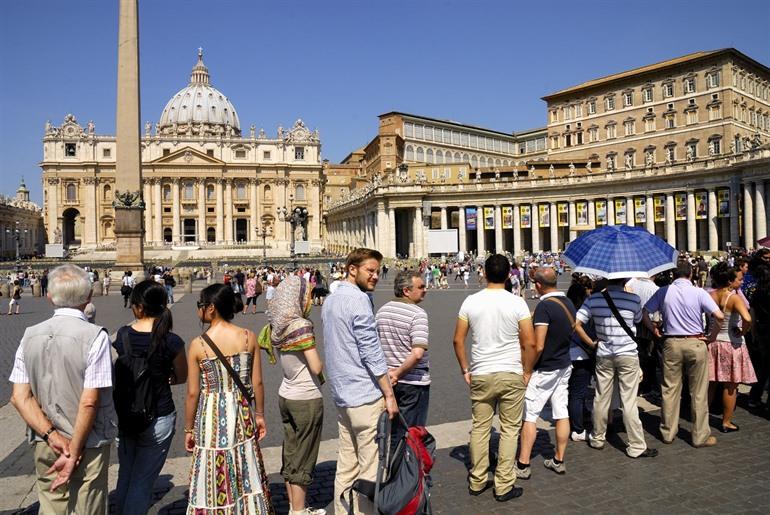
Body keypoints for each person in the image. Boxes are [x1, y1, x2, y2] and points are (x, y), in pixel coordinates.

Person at [9, 264, 117, 514]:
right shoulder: (95, 336)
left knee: (51, 504)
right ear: (89, 296)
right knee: (88, 507)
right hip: (89, 442)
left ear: (49, 296)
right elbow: (89, 401)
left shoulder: (29, 335)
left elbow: (19, 397)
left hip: (46, 440)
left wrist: (53, 437)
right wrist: (73, 450)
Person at [452, 254, 536, 502]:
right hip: (511, 372)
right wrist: (527, 370)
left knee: (480, 427)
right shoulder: (518, 303)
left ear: (484, 273)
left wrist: (465, 369)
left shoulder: (470, 301)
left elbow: (458, 340)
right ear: (509, 274)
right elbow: (530, 342)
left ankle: (477, 480)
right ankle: (503, 485)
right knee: (509, 430)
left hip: (481, 372)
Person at [184, 284, 274, 512]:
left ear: (211, 308)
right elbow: (257, 383)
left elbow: (193, 393)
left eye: (200, 305)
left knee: (212, 466)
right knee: (245, 462)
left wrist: (188, 429)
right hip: (241, 411)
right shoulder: (248, 337)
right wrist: (260, 414)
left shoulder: (198, 345)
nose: (198, 309)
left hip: (211, 415)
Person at [322, 248, 398, 515]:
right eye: (370, 270)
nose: (375, 276)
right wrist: (389, 394)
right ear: (352, 269)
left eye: (377, 271)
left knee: (346, 465)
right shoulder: (358, 301)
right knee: (370, 467)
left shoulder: (331, 300)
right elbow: (371, 352)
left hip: (343, 395)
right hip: (365, 396)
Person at [114, 280, 187, 514]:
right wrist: (165, 376)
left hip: (126, 414)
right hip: (160, 415)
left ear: (138, 307)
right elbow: (182, 376)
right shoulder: (172, 340)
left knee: (126, 474)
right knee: (142, 481)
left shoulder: (122, 335)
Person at [643, 261, 725, 448]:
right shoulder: (699, 292)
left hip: (671, 342)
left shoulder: (663, 291)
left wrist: (653, 330)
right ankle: (699, 436)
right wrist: (711, 336)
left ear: (673, 275)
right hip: (696, 342)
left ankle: (668, 432)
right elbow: (719, 316)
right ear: (691, 274)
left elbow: (644, 312)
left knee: (670, 389)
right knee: (698, 392)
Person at [575, 278, 658, 458]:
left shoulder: (594, 299)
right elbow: (637, 319)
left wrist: (591, 342)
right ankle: (636, 446)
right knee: (629, 401)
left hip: (604, 353)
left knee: (601, 397)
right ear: (624, 280)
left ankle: (597, 437)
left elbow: (577, 323)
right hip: (627, 354)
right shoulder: (633, 299)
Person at [264, 275, 326, 515]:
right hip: (305, 397)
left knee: (290, 452)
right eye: (306, 294)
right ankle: (299, 511)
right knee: (304, 455)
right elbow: (316, 367)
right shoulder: (300, 325)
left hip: (286, 394)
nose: (308, 298)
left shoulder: (277, 325)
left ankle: (294, 506)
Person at [515, 268, 575, 478]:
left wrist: (527, 369)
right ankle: (559, 459)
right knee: (561, 411)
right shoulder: (568, 303)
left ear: (538, 285)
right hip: (564, 365)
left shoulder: (545, 306)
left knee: (530, 415)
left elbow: (538, 345)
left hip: (545, 368)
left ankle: (523, 464)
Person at [376, 270, 430, 449]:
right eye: (421, 287)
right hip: (413, 382)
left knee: (393, 431)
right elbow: (417, 353)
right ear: (406, 291)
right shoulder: (418, 314)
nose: (425, 290)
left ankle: (391, 462)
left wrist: (391, 375)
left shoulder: (381, 311)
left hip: (388, 381)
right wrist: (398, 373)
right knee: (411, 435)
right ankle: (405, 466)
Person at [707, 263, 756, 432]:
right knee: (731, 385)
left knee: (711, 383)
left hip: (713, 342)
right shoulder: (734, 298)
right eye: (739, 279)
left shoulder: (710, 295)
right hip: (731, 343)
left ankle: (702, 417)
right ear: (729, 280)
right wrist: (743, 331)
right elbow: (747, 318)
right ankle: (726, 422)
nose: (741, 282)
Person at [565, 277, 595, 442]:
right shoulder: (584, 314)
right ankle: (577, 429)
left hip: (566, 357)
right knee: (578, 393)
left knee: (573, 391)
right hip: (582, 356)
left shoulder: (564, 311)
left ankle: (578, 415)